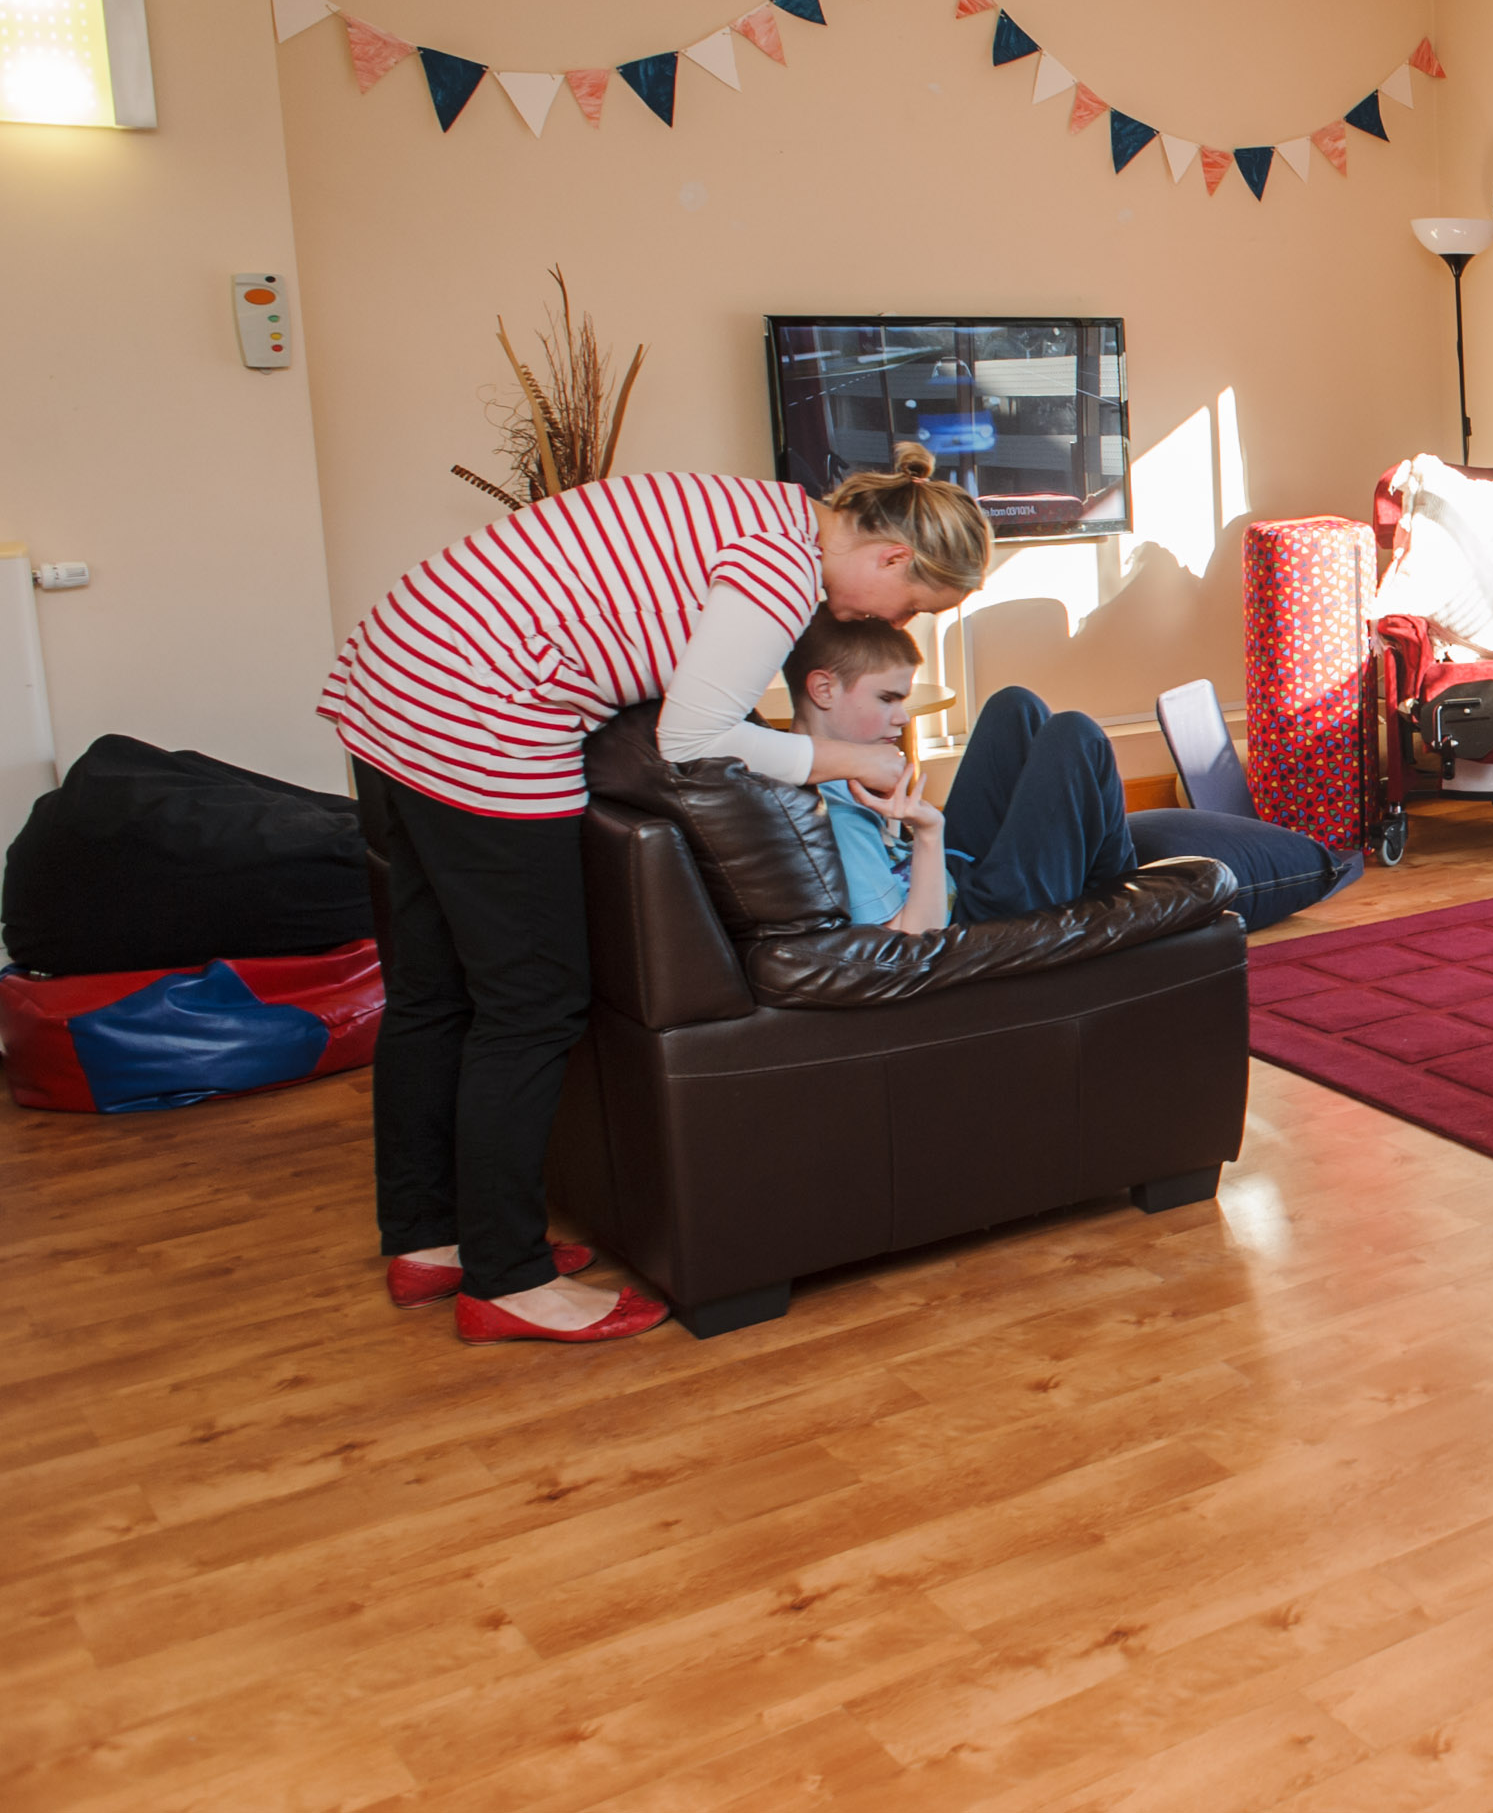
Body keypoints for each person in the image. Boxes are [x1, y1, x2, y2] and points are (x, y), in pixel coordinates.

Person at [319, 446, 990, 1344]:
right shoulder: (780, 568)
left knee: (436, 989)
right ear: (892, 555)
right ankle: (507, 1279)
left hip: (400, 679)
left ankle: (427, 1236)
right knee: (531, 1002)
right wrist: (848, 757)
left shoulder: (764, 510)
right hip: (479, 710)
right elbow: (693, 736)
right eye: (912, 604)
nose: (895, 619)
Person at [787, 616, 1363, 933]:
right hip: (979, 918)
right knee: (1074, 734)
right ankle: (1115, 890)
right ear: (823, 688)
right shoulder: (830, 813)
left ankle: (1081, 855)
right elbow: (910, 941)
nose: (902, 717)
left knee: (1014, 706)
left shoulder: (823, 769)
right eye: (887, 699)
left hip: (959, 876)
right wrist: (929, 832)